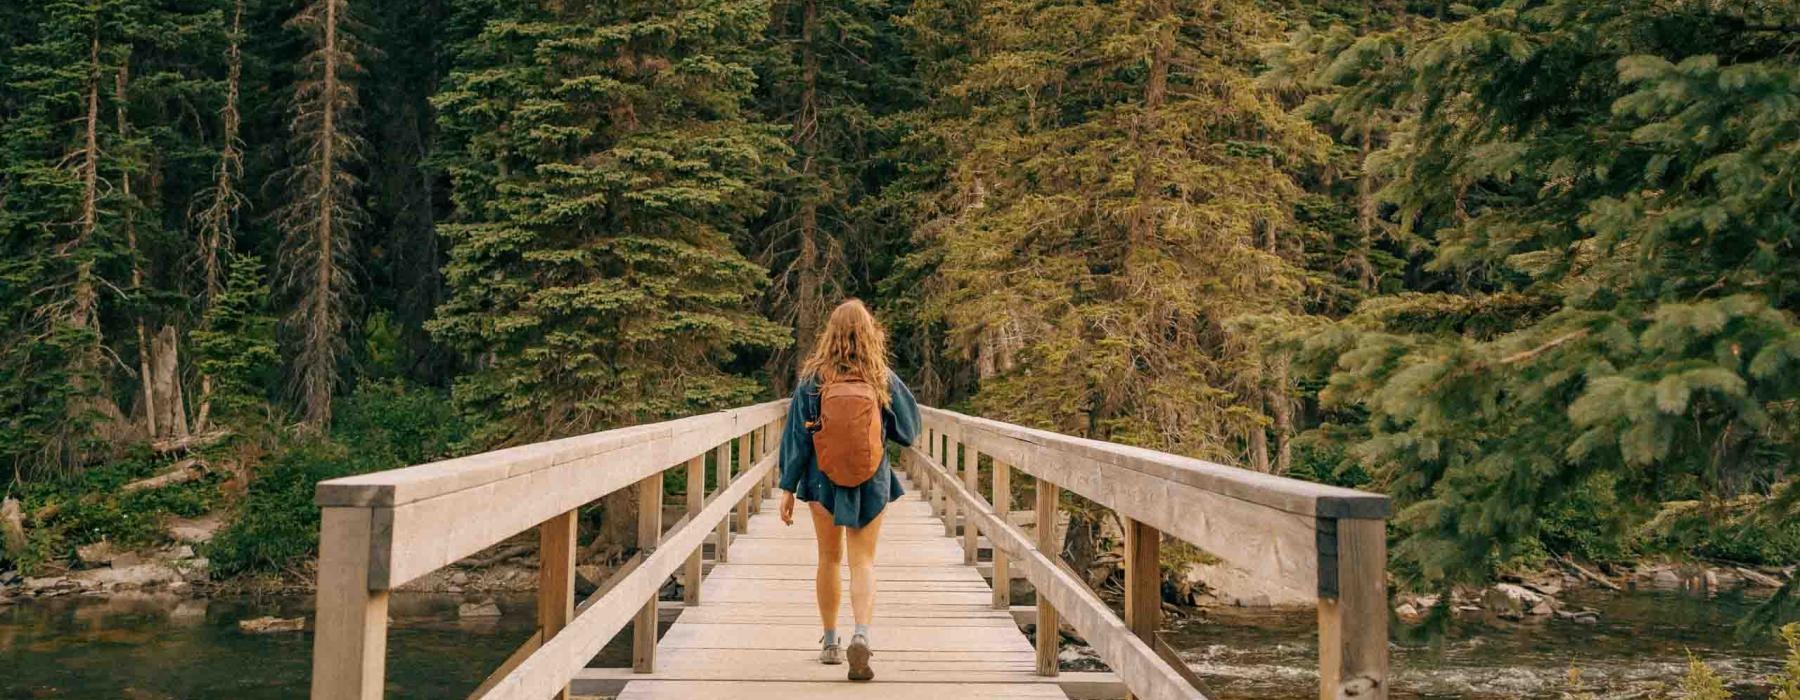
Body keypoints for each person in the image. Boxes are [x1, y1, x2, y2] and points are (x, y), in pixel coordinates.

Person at [778, 299, 920, 682]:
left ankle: (829, 642)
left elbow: (796, 440)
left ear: (831, 334)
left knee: (828, 559)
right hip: (871, 478)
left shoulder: (812, 381)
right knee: (863, 562)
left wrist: (788, 488)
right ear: (870, 333)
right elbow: (909, 432)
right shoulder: (881, 378)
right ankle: (861, 634)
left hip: (821, 479)